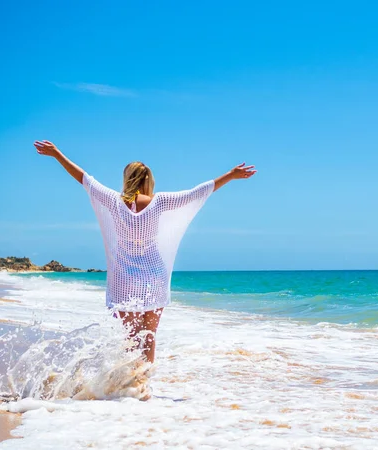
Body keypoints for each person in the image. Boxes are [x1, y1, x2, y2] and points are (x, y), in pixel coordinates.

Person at [34, 140, 256, 363]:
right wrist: (230, 175)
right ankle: (143, 387)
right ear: (148, 180)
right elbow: (196, 193)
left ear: (127, 178)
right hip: (154, 275)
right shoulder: (159, 202)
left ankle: (129, 383)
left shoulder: (113, 201)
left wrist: (57, 154)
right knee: (149, 336)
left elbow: (84, 178)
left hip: (124, 277)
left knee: (130, 336)